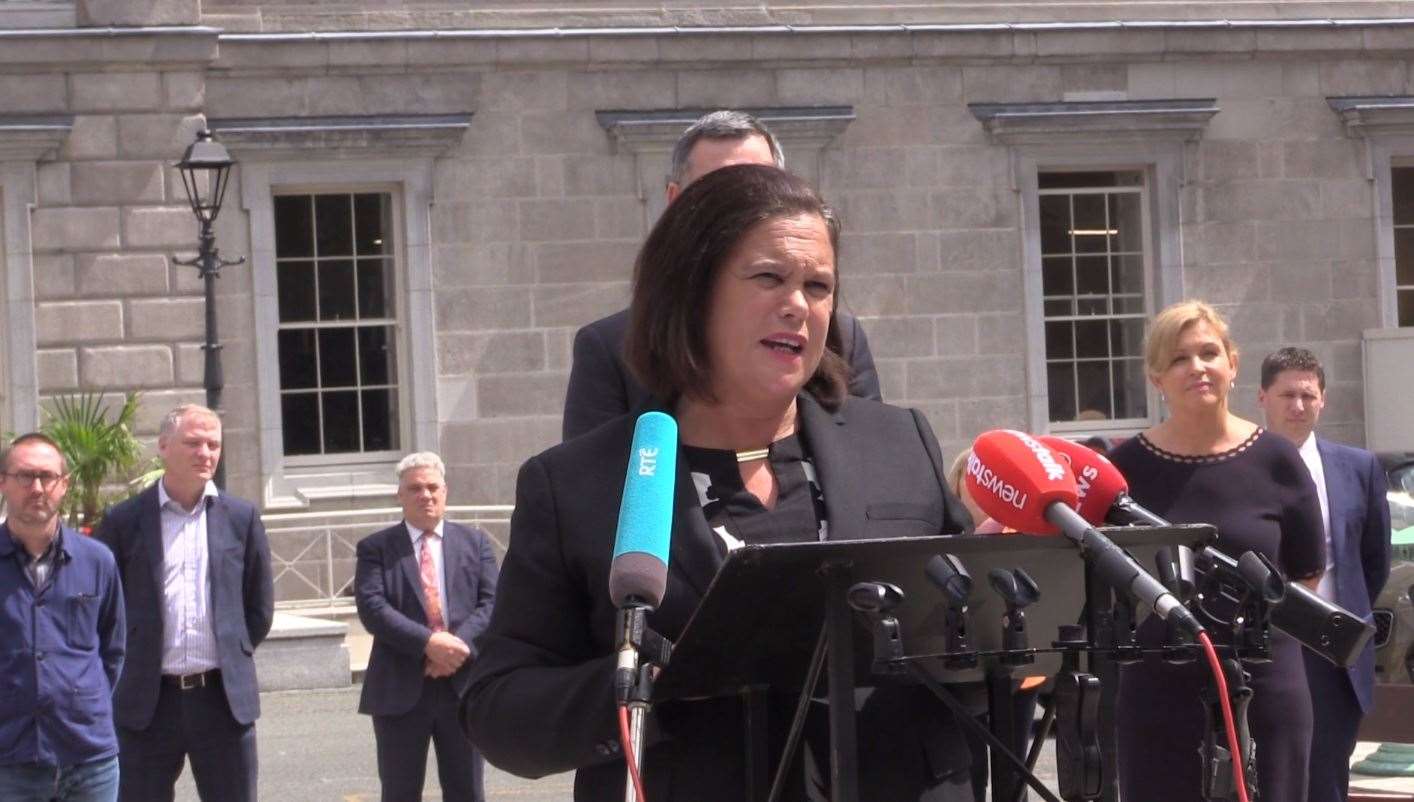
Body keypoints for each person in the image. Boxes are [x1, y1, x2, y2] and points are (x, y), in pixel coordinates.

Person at [462, 164, 974, 800]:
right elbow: (500, 709)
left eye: (819, 286)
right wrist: (647, 684)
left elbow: (969, 643)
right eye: (769, 278)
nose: (799, 305)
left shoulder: (899, 444)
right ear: (692, 290)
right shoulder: (580, 484)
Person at [1108, 301, 1326, 802]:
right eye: (1180, 358)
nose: (1198, 367)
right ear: (1156, 377)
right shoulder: (1124, 470)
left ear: (1233, 363)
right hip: (1159, 687)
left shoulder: (1278, 459)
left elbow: (1307, 574)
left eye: (1209, 352)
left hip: (1266, 682)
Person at [561, 109, 880, 441]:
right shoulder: (611, 347)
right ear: (675, 201)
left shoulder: (838, 336)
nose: (740, 209)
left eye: (760, 188)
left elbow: (872, 453)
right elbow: (589, 482)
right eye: (715, 193)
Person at [95, 404, 274, 802]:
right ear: (163, 446)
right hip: (147, 701)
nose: (205, 453)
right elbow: (105, 607)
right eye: (193, 443)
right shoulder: (124, 520)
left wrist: (233, 649)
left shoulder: (241, 517)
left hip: (221, 699)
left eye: (213, 444)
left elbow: (258, 607)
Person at [1257, 346, 1390, 802]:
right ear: (1263, 398)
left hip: (1331, 651)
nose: (1298, 406)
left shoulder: (1359, 468)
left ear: (1323, 400)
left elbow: (1372, 563)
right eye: (1287, 395)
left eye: (1308, 396)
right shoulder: (1241, 465)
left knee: (1326, 781)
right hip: (1259, 650)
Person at [355, 452, 499, 802]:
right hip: (399, 688)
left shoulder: (475, 543)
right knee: (400, 791)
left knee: (466, 791)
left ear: (445, 491)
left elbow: (494, 603)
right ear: (400, 495)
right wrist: (428, 644)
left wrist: (455, 646)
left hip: (462, 686)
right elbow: (373, 608)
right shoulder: (376, 548)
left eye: (433, 487)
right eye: (415, 488)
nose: (426, 495)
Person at [0, 433, 125, 802]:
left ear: (64, 485)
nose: (36, 488)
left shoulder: (96, 560)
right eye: (24, 476)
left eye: (47, 477)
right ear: (3, 482)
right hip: (9, 760)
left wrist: (82, 702)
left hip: (88, 758)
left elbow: (113, 651)